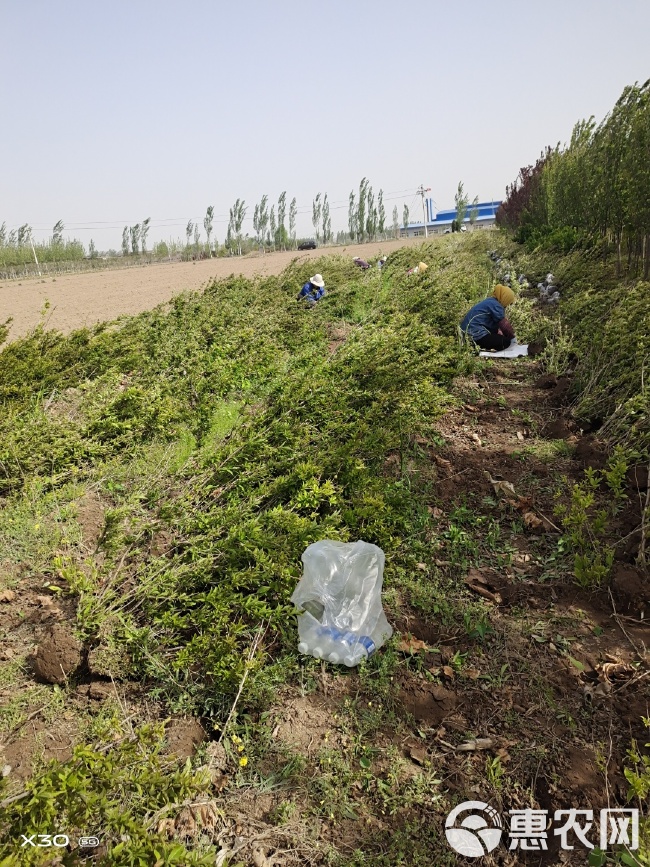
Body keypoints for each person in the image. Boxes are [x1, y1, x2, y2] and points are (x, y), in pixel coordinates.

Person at [460, 284, 516, 351]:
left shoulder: (489, 301)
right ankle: (478, 347)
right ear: (505, 298)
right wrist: (512, 338)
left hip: (466, 334)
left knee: (497, 337)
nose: (507, 305)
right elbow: (504, 325)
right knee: (505, 342)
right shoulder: (496, 305)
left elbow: (493, 324)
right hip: (476, 335)